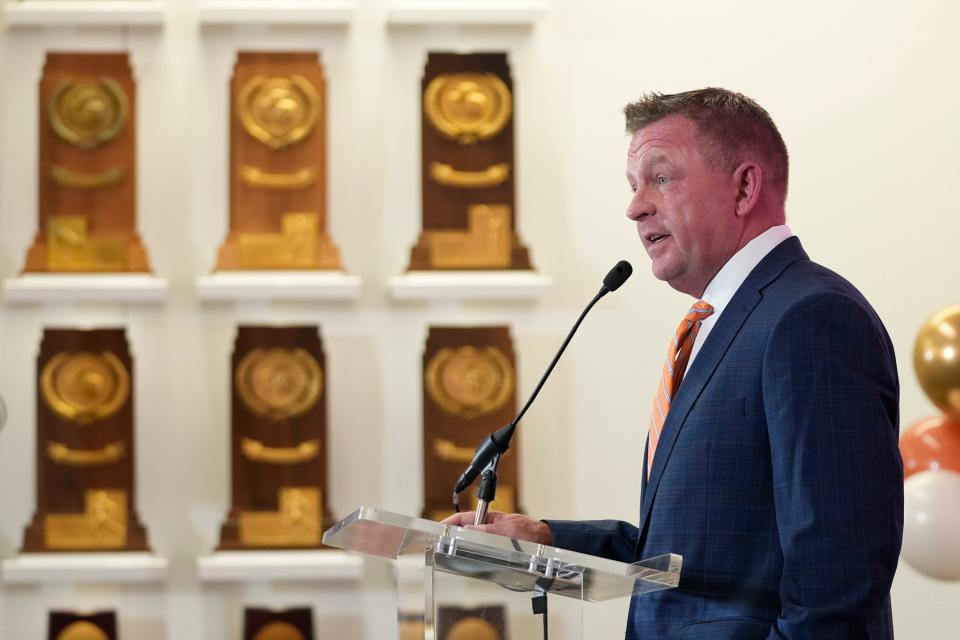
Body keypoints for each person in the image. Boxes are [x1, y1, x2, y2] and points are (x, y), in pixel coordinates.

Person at [445, 88, 903, 639]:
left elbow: (839, 578)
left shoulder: (811, 318)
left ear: (744, 187)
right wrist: (544, 538)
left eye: (660, 178)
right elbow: (693, 558)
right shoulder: (719, 324)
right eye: (633, 185)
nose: (636, 206)